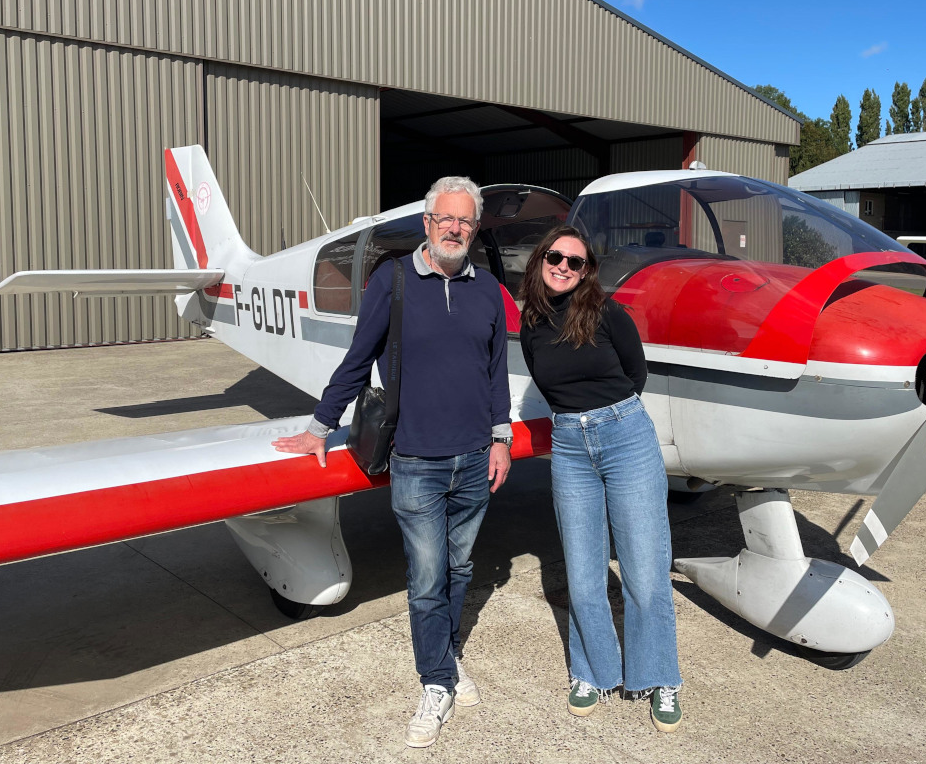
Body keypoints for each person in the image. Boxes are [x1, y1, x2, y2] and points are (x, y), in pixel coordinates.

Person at [273, 176, 513, 748]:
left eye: (466, 221)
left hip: (475, 457)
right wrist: (318, 428)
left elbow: (496, 372)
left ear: (475, 230)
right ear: (428, 224)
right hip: (416, 461)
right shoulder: (395, 279)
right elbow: (358, 361)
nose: (455, 229)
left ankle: (446, 659)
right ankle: (436, 681)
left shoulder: (485, 291)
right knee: (427, 578)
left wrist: (500, 438)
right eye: (445, 219)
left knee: (458, 571)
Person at [518, 226, 683, 732]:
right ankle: (592, 672)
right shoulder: (531, 323)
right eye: (556, 256)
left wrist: (608, 417)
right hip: (569, 445)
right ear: (541, 259)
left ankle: (659, 678)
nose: (564, 266)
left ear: (587, 270)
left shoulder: (608, 313)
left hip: (625, 435)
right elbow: (550, 385)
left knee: (645, 566)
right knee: (584, 572)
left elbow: (636, 374)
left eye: (576, 261)